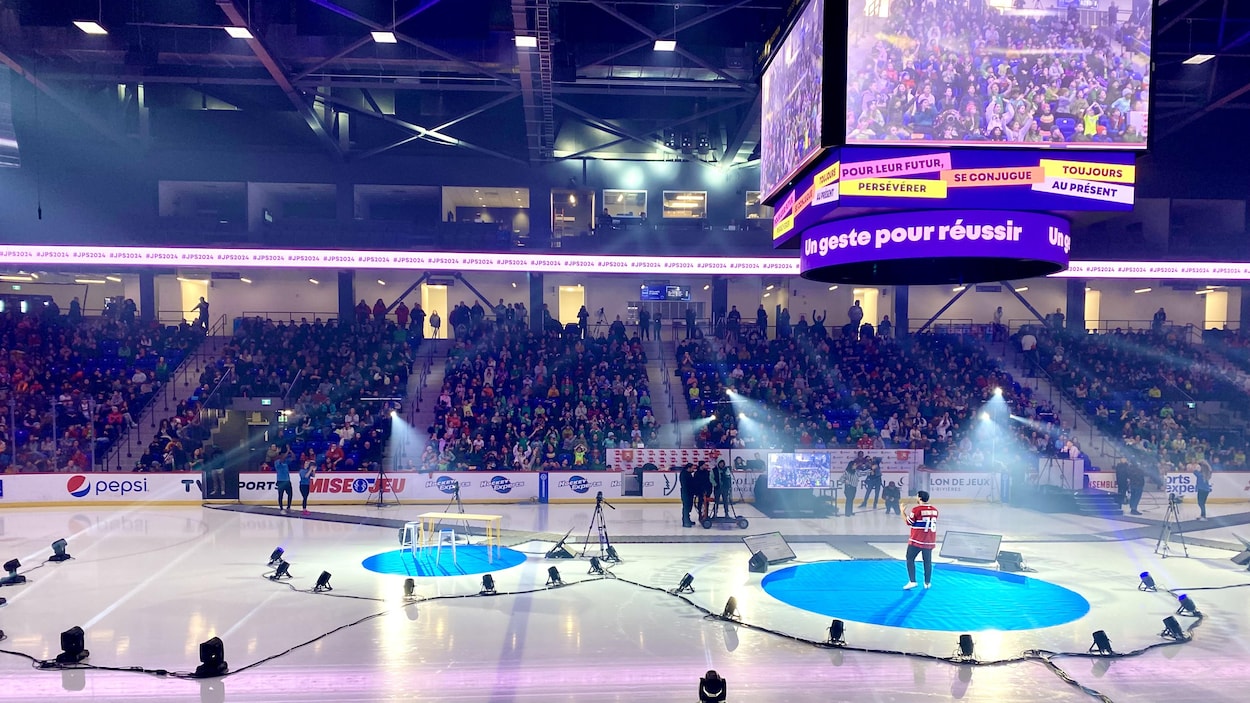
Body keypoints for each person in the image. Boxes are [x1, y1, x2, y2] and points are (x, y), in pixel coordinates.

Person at [904, 490, 939, 590]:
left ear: (919, 498)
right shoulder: (935, 510)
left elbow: (909, 522)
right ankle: (927, 582)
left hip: (917, 540)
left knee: (910, 558)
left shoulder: (916, 510)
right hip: (930, 540)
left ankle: (912, 581)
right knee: (927, 561)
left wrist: (902, 511)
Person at [679, 463, 697, 527]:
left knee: (688, 507)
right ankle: (685, 521)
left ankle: (688, 520)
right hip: (686, 493)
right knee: (686, 507)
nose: (693, 469)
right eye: (692, 468)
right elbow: (686, 485)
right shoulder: (684, 474)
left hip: (689, 493)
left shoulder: (688, 474)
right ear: (688, 468)